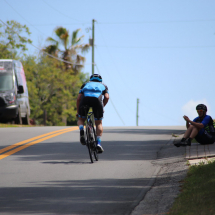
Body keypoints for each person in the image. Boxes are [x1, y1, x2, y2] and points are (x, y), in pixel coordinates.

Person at [76, 74, 109, 153]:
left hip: (85, 101)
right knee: (98, 123)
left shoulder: (85, 84)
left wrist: (78, 111)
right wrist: (102, 106)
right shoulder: (103, 85)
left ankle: (81, 130)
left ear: (91, 79)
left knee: (81, 119)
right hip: (97, 102)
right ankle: (98, 143)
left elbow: (79, 98)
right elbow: (107, 97)